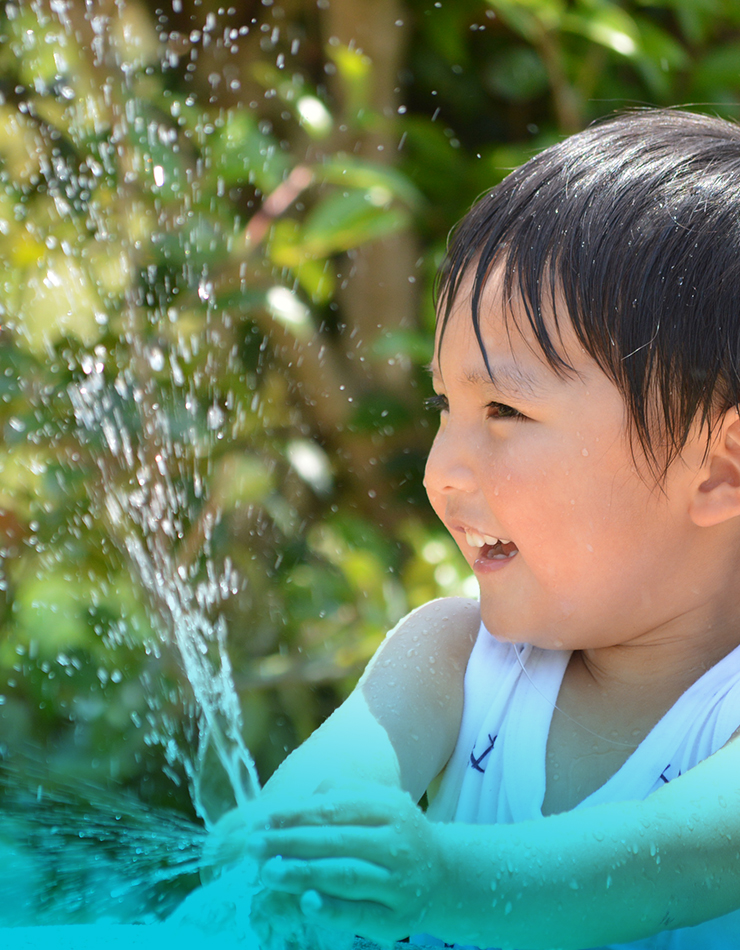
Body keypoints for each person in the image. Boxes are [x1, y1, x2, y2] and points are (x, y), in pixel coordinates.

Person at [211, 109, 740, 950]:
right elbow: (323, 798)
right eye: (445, 407)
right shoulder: (453, 660)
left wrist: (441, 880)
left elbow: (677, 863)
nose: (438, 471)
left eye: (504, 408)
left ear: (718, 469)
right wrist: (289, 844)